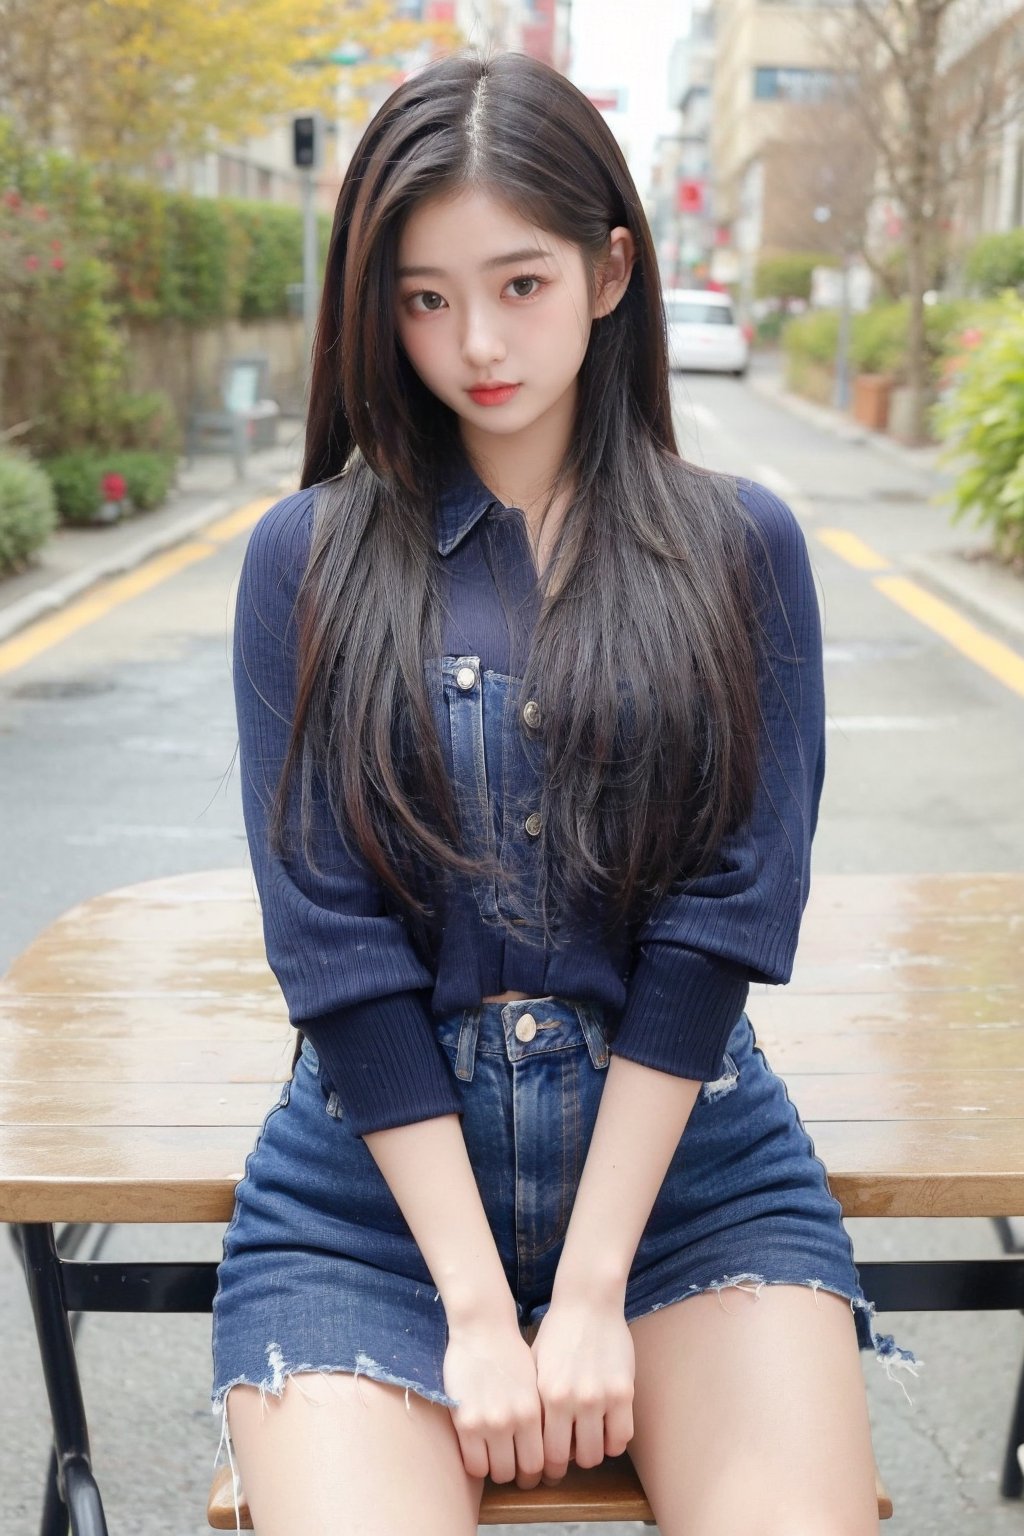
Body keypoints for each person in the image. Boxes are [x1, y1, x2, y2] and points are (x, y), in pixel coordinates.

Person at [210, 48, 919, 1536]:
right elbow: (330, 946)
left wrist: (592, 1286)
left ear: (609, 272)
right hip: (371, 1212)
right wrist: (478, 1305)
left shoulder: (741, 548)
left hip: (689, 1184)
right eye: (423, 295)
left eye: (519, 283)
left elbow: (731, 911)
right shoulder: (308, 558)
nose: (475, 339)